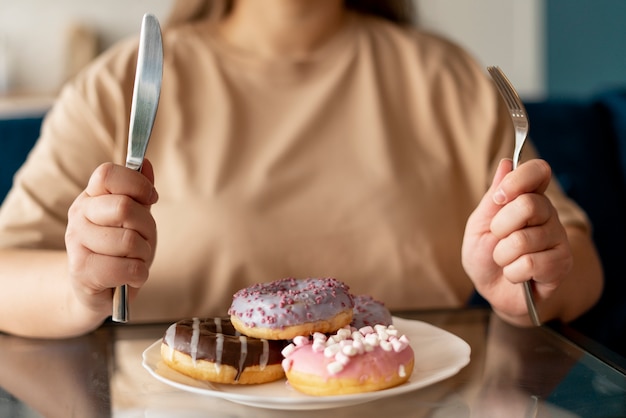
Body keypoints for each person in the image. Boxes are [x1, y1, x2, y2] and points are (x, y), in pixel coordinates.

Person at [0, 0, 603, 338]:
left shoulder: (449, 80)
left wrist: (528, 283)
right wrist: (83, 287)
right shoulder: (124, 83)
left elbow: (577, 259)